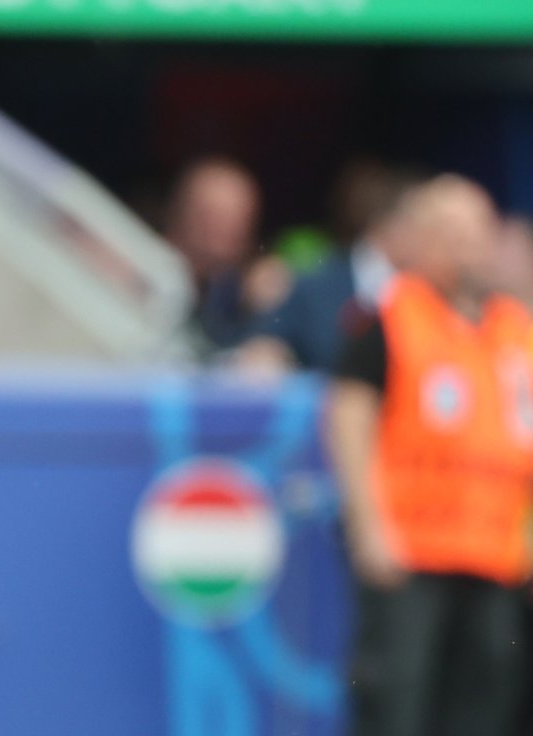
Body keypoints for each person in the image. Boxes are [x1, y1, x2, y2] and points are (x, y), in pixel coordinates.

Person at [324, 175, 532, 736]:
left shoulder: (516, 329)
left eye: (476, 232)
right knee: (398, 706)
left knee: (487, 706)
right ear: (418, 240)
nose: (466, 246)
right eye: (450, 232)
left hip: (497, 558)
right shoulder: (389, 317)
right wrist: (368, 525)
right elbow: (348, 416)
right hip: (412, 554)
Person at [233, 163, 421, 375]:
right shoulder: (314, 283)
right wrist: (267, 356)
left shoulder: (432, 299)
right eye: (427, 228)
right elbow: (260, 348)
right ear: (391, 225)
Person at [165, 157, 286, 354]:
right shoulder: (141, 274)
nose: (229, 231)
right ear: (180, 214)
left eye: (241, 219)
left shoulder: (243, 290)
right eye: (214, 216)